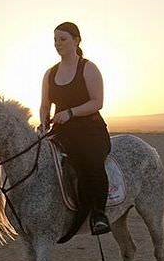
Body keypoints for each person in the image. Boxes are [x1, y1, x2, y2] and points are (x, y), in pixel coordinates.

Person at [40, 22, 111, 242]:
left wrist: (71, 112)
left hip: (90, 130)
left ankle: (98, 214)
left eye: (62, 39)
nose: (57, 44)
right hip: (61, 131)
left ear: (76, 41)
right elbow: (44, 105)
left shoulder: (88, 68)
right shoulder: (50, 74)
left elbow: (97, 102)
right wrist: (43, 123)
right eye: (55, 39)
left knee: (89, 160)